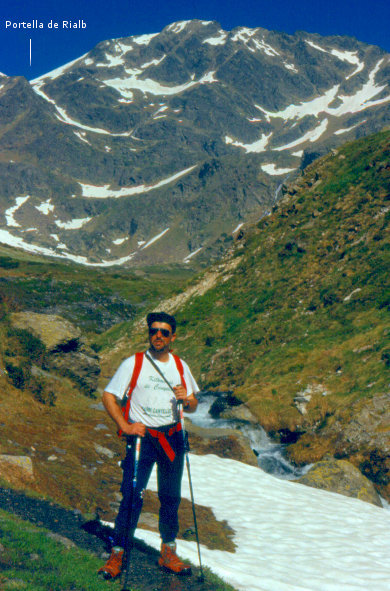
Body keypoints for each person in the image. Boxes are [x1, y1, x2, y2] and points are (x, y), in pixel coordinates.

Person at [98, 312, 199, 580]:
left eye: (164, 332)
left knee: (170, 497)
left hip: (172, 439)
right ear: (149, 333)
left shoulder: (180, 366)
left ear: (173, 337)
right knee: (132, 495)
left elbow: (192, 404)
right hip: (142, 439)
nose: (158, 335)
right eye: (154, 330)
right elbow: (109, 395)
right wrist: (125, 426)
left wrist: (186, 400)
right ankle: (118, 553)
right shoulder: (134, 363)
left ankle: (168, 552)